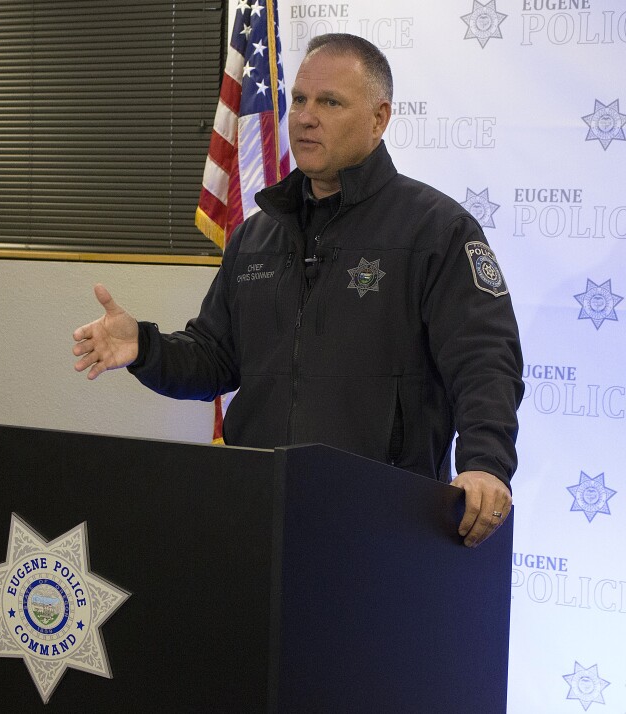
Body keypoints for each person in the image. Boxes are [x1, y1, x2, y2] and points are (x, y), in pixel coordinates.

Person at [72, 34, 524, 548]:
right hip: (257, 513)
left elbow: (485, 361)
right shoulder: (257, 234)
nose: (306, 117)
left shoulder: (436, 231)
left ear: (379, 119)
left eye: (330, 102)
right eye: (300, 100)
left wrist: (486, 464)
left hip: (382, 527)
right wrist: (144, 347)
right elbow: (214, 359)